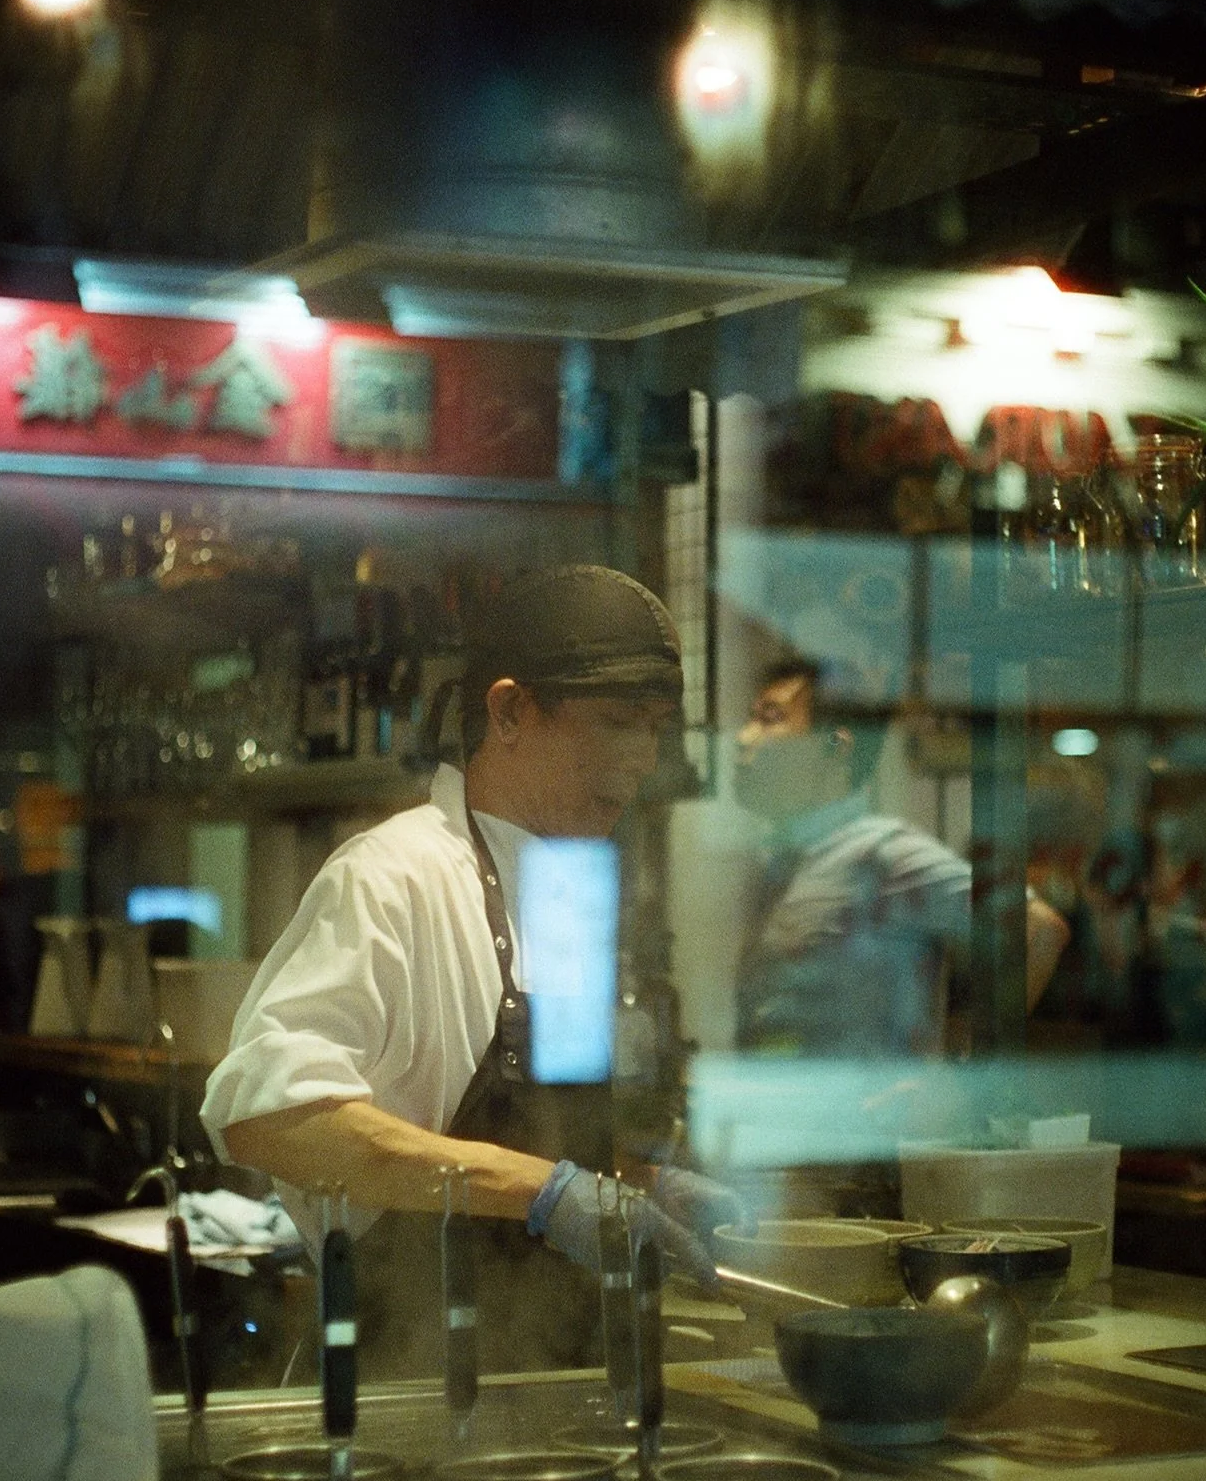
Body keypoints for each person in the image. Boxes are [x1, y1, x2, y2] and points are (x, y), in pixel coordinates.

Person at [201, 564, 742, 1372]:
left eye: (655, 727)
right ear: (510, 709)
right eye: (617, 722)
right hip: (407, 1380)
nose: (641, 759)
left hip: (558, 1376)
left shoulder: (567, 892)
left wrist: (636, 1186)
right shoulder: (392, 876)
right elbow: (271, 1117)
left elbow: (545, 1138)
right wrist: (546, 1195)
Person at [734, 659, 1070, 1059]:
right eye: (752, 718)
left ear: (836, 745)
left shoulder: (880, 854)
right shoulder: (786, 861)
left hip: (857, 1120)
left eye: (771, 718)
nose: (743, 737)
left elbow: (1039, 929)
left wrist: (962, 1080)